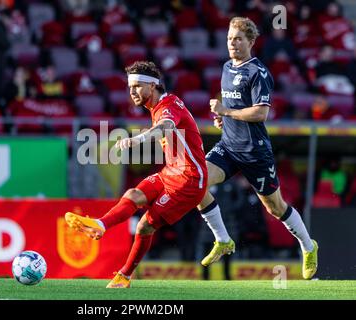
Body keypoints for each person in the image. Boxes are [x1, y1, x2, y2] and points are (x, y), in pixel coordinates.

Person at [65, 61, 207, 288]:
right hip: (171, 172)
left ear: (153, 86)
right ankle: (100, 225)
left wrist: (137, 139)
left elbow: (166, 126)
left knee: (144, 226)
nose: (132, 92)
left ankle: (124, 276)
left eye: (138, 86)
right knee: (133, 193)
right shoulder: (159, 105)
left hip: (189, 181)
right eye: (130, 87)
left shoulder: (167, 106)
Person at [196, 17, 318, 280]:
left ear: (251, 42)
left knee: (275, 208)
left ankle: (309, 246)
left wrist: (227, 111)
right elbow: (229, 101)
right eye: (230, 38)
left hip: (255, 151)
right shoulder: (227, 67)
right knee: (196, 181)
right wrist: (222, 117)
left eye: (238, 38)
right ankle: (222, 239)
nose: (233, 43)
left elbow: (261, 113)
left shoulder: (258, 72)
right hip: (228, 146)